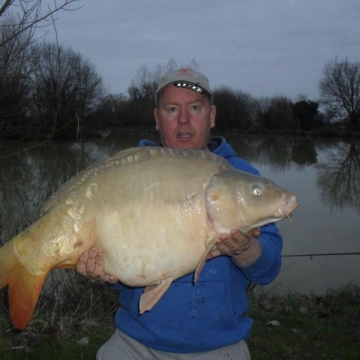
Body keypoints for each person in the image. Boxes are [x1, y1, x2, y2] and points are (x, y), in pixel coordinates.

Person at [76, 68, 283, 359]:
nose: (184, 120)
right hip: (136, 342)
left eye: (195, 108)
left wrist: (245, 248)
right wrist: (104, 271)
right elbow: (126, 275)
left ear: (211, 115)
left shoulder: (242, 178)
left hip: (220, 346)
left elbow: (268, 269)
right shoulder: (128, 175)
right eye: (172, 109)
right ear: (157, 119)